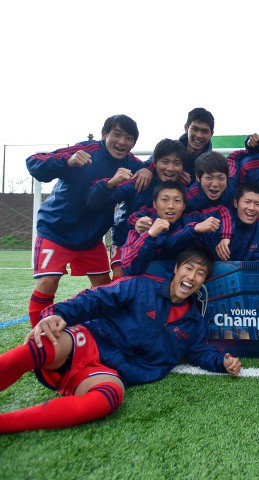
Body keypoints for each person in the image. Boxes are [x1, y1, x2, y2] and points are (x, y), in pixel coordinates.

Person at [0, 248, 242, 433]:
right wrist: (60, 313)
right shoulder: (141, 285)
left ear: (203, 282)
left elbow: (199, 352)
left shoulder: (194, 321)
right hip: (93, 342)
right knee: (43, 344)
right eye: (188, 268)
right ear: (177, 269)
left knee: (107, 400)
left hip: (113, 372)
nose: (192, 277)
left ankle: (6, 424)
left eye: (200, 274)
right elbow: (98, 298)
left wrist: (222, 362)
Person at [25, 114, 149, 328]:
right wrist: (67, 161)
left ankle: (101, 334)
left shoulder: (132, 164)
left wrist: (149, 169)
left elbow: (158, 170)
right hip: (56, 231)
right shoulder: (85, 151)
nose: (121, 142)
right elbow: (34, 162)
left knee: (104, 287)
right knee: (48, 282)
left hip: (91, 238)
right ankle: (39, 341)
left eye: (128, 138)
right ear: (104, 134)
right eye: (116, 135)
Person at [86, 138, 187, 278]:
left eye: (176, 164)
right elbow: (103, 199)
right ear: (155, 162)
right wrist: (110, 183)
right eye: (165, 162)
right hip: (124, 240)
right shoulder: (139, 180)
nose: (170, 168)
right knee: (121, 280)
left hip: (159, 247)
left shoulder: (184, 187)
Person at [122, 181, 230, 276]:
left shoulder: (192, 219)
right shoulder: (142, 226)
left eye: (177, 201)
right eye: (164, 200)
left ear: (183, 205)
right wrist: (150, 236)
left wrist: (225, 237)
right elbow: (129, 268)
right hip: (149, 287)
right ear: (154, 204)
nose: (171, 206)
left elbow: (221, 210)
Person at [139, 108, 215, 186]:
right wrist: (146, 169)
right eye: (195, 129)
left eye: (204, 131)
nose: (199, 135)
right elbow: (150, 163)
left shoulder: (213, 163)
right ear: (186, 128)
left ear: (211, 134)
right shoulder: (169, 149)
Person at [214, 183, 259, 262]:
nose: (252, 208)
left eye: (257, 204)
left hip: (246, 272)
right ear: (236, 203)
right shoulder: (222, 218)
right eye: (247, 202)